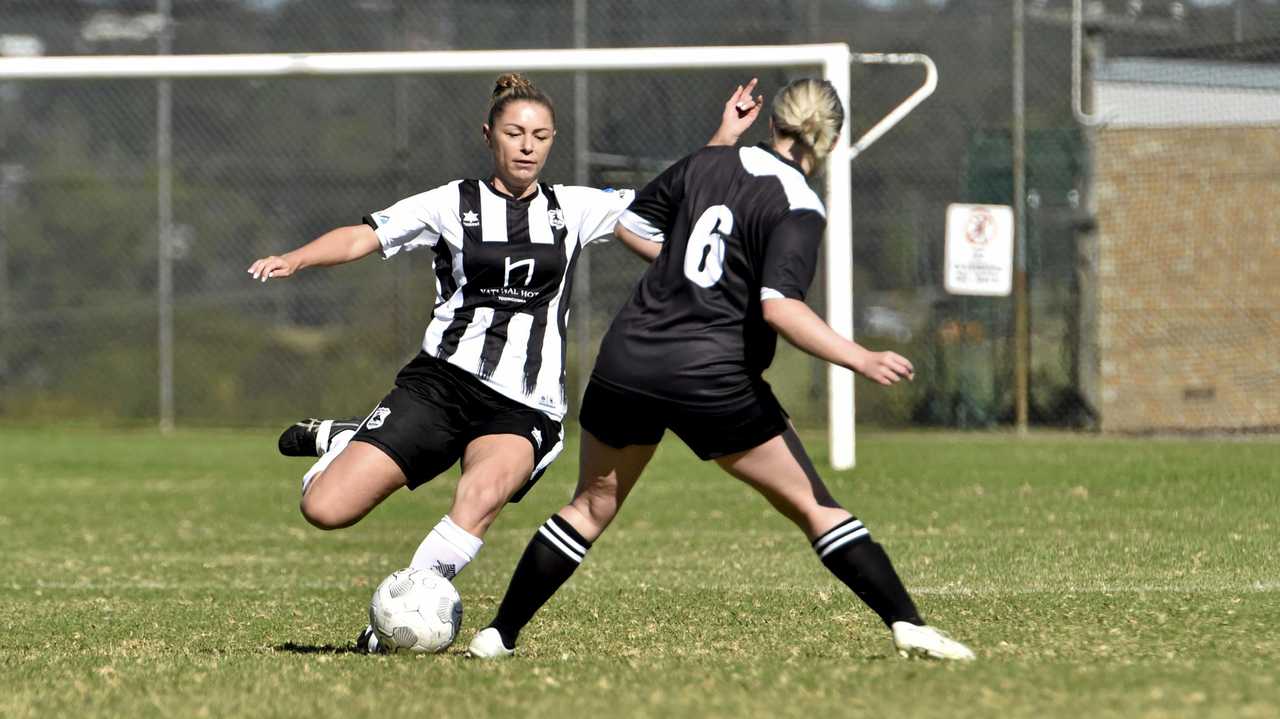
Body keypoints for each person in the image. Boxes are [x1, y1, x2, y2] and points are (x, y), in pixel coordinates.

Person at [248, 73, 764, 652]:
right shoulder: (450, 203)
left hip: (524, 403)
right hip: (440, 385)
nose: (527, 145)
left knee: (481, 497)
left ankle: (393, 624)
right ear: (489, 135)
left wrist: (725, 134)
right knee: (325, 509)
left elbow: (675, 194)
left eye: (540, 136)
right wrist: (296, 259)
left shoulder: (575, 208)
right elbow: (363, 236)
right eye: (515, 132)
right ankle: (349, 440)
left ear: (551, 142)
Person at [466, 78, 975, 662]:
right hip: (709, 375)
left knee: (588, 507)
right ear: (829, 139)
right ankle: (907, 624)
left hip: (628, 358)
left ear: (772, 122)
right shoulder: (800, 205)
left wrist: (687, 250)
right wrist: (859, 355)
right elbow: (779, 306)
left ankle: (497, 634)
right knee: (814, 507)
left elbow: (633, 226)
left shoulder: (709, 162)